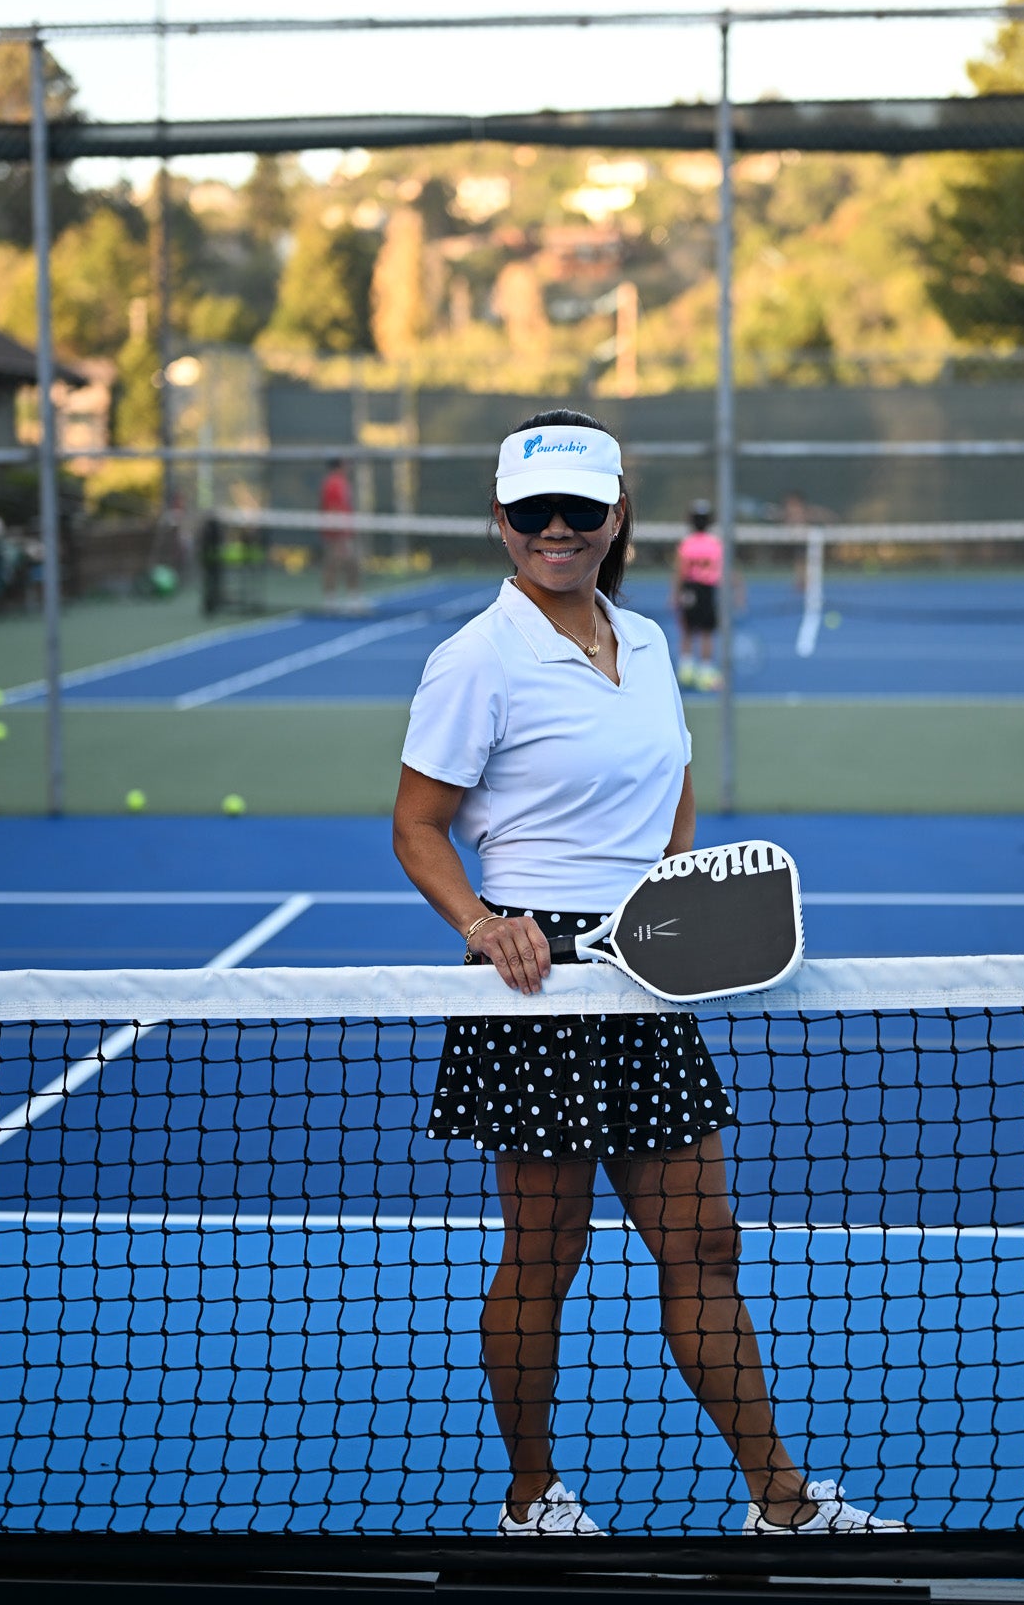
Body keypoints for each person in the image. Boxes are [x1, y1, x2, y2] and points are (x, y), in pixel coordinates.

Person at [392, 408, 904, 1539]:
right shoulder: (475, 657)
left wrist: (680, 895)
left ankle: (781, 1497)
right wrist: (484, 923)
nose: (558, 529)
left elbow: (671, 778)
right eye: (534, 512)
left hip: (646, 969)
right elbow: (417, 826)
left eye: (581, 508)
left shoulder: (652, 641)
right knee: (547, 1247)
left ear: (619, 513)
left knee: (704, 1239)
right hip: (539, 980)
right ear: (502, 520)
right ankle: (531, 1497)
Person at [672, 499, 723, 691]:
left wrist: (675, 595)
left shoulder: (686, 543)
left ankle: (685, 671)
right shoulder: (715, 544)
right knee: (706, 632)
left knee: (687, 629)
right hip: (707, 591)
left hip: (689, 590)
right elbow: (723, 569)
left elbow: (680, 571)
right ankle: (705, 673)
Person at [318, 456, 358, 603]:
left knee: (350, 564)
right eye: (346, 464)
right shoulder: (334, 483)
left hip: (343, 532)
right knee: (334, 565)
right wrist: (339, 535)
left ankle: (350, 598)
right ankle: (332, 600)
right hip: (336, 533)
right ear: (339, 465)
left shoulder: (342, 482)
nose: (349, 467)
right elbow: (333, 509)